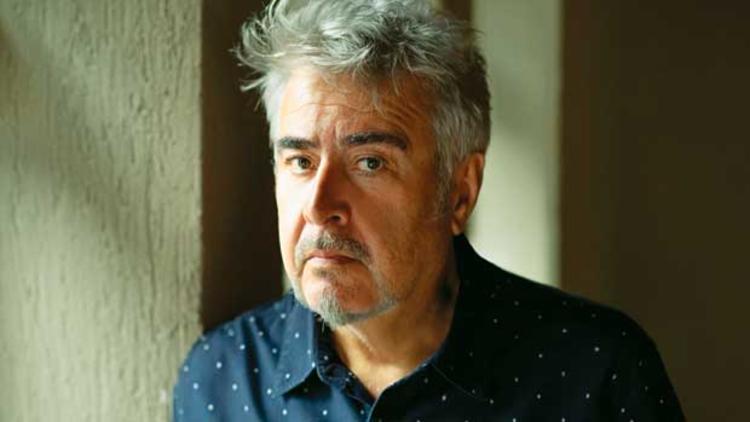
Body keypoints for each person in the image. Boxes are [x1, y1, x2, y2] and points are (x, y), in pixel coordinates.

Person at [173, 0, 684, 420]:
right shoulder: (221, 377)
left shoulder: (598, 374)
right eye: (301, 162)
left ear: (460, 192)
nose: (320, 206)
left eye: (370, 163)